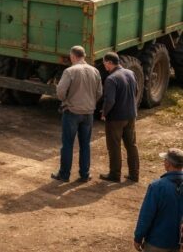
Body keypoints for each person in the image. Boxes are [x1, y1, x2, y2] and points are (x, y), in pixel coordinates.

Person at [52, 46, 103, 182]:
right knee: (85, 144)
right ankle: (85, 174)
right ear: (84, 56)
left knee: (68, 144)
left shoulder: (70, 71)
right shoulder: (95, 71)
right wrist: (90, 103)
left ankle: (64, 174)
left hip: (72, 112)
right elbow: (99, 93)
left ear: (73, 56)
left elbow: (60, 92)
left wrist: (66, 101)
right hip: (88, 113)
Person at [100, 52, 140, 183]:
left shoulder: (111, 79)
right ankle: (134, 174)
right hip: (131, 115)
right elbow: (136, 91)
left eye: (104, 63)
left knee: (114, 146)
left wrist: (104, 113)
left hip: (116, 118)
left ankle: (115, 174)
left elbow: (110, 100)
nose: (104, 65)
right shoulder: (130, 73)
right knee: (131, 145)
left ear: (109, 63)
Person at [134, 148, 183, 252]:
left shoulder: (157, 186)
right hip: (179, 245)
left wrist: (138, 237)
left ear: (168, 164)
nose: (164, 162)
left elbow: (146, 215)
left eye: (165, 160)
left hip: (157, 243)